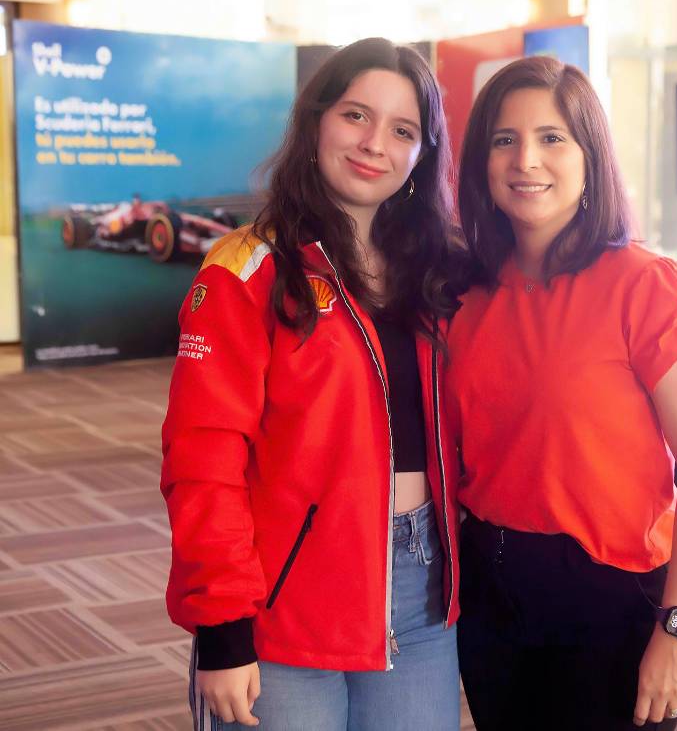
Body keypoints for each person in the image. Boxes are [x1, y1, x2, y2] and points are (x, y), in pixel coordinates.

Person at [161, 38, 462, 731]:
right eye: (356, 115)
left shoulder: (438, 273)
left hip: (420, 593)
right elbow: (203, 457)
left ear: (423, 154)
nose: (374, 143)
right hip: (285, 600)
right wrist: (223, 627)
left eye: (403, 130)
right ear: (316, 122)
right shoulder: (247, 269)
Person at [447, 56, 677, 730]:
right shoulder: (466, 295)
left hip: (612, 606)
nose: (527, 159)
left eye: (552, 137)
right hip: (492, 596)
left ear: (590, 157)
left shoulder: (648, 286)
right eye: (504, 139)